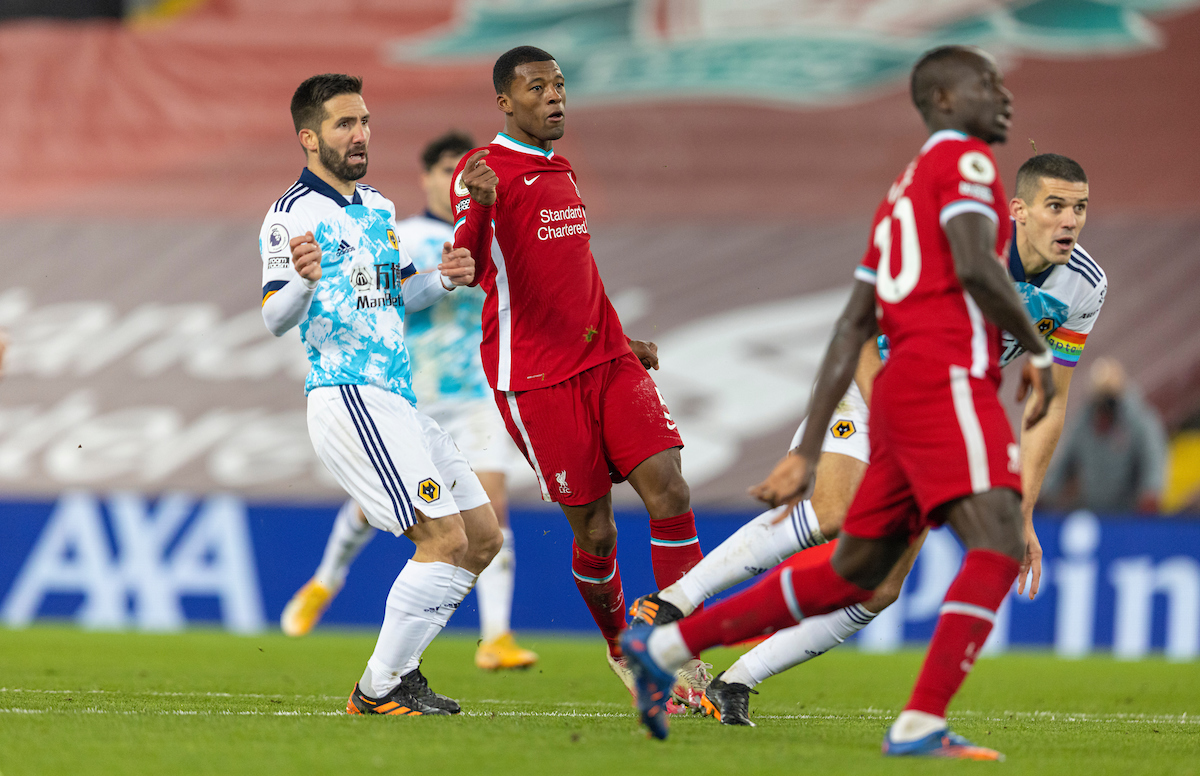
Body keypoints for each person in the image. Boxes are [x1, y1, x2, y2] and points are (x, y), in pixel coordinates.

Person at [622, 45, 1057, 758]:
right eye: (988, 85)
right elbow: (978, 265)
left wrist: (808, 441)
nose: (1005, 98)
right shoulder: (968, 164)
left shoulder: (902, 194)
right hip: (945, 380)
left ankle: (668, 647)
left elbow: (855, 318)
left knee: (859, 573)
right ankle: (920, 720)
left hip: (899, 395)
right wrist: (1034, 350)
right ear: (946, 102)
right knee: (1001, 541)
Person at [450, 45, 709, 707]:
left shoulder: (560, 169)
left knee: (671, 491)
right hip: (535, 379)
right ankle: (623, 645)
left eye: (560, 85)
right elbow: (472, 267)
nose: (555, 97)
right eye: (537, 88)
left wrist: (624, 339)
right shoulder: (481, 173)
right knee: (596, 533)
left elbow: (576, 275)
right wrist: (479, 207)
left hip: (608, 361)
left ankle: (682, 654)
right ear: (505, 102)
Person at [260, 73, 502, 716]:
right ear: (309, 138)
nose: (360, 133)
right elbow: (274, 318)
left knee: (483, 537)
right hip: (347, 393)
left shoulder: (378, 208)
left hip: (396, 395)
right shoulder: (290, 215)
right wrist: (305, 284)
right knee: (443, 538)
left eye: (364, 120)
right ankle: (379, 687)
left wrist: (442, 281)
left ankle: (400, 674)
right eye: (344, 123)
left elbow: (398, 295)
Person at [279, 131, 538, 671]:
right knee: (377, 509)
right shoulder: (407, 233)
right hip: (405, 390)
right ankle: (326, 581)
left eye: (464, 173)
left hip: (474, 395)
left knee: (489, 509)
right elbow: (381, 301)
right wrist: (438, 280)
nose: (454, 182)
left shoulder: (494, 235)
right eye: (445, 171)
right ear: (425, 177)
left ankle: (495, 636)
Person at [1042, 357, 1166, 513]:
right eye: (1097, 403)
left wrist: (1151, 491)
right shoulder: (1084, 425)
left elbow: (1153, 459)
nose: (1102, 411)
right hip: (1093, 511)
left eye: (1107, 403)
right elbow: (1063, 463)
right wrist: (1045, 492)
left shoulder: (1140, 423)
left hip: (1130, 515)